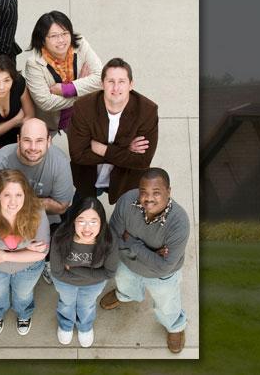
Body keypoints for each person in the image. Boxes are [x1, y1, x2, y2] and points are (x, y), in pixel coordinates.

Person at [99, 168, 190, 354]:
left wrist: (132, 242)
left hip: (161, 275)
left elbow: (164, 266)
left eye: (156, 193)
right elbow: (114, 236)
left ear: (168, 192)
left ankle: (174, 326)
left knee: (167, 303)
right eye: (144, 192)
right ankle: (126, 296)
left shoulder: (179, 223)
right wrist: (152, 252)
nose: (148, 198)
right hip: (127, 263)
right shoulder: (126, 201)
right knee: (124, 283)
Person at [0, 118, 75, 285]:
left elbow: (61, 207)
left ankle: (48, 261)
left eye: (39, 141)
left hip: (49, 218)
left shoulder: (59, 163)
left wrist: (21, 203)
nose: (33, 147)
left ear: (49, 141)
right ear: (18, 140)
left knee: (61, 228)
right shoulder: (1, 161)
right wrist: (45, 202)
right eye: (27, 140)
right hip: (9, 215)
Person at [67, 57, 158, 205]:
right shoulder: (83, 108)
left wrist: (102, 149)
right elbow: (78, 155)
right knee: (80, 214)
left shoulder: (147, 111)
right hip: (89, 175)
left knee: (124, 222)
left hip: (125, 179)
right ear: (102, 84)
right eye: (111, 81)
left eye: (121, 82)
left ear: (131, 85)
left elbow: (142, 161)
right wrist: (125, 150)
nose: (116, 88)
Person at [0, 170, 49, 336]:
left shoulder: (36, 210)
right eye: (7, 195)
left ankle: (24, 314)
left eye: (19, 195)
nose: (13, 202)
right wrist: (27, 249)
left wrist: (4, 254)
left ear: (25, 195)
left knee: (24, 293)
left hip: (29, 268)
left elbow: (42, 253)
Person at [49, 197, 117, 347]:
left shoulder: (108, 239)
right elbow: (57, 271)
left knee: (86, 305)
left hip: (93, 285)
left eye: (94, 221)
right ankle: (66, 324)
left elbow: (110, 273)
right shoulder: (61, 236)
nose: (87, 228)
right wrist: (93, 273)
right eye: (81, 221)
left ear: (101, 222)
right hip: (65, 282)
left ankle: (85, 326)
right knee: (66, 304)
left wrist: (74, 269)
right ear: (73, 221)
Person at [23, 10, 102, 131]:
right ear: (43, 39)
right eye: (54, 36)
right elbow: (45, 102)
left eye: (65, 33)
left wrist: (66, 89)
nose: (61, 40)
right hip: (49, 120)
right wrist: (82, 93)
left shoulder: (80, 44)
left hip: (81, 114)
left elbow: (100, 78)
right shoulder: (34, 63)